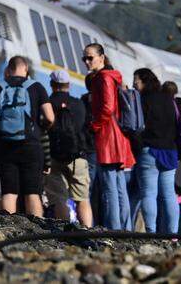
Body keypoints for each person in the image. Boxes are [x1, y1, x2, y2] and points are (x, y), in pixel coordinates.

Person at [0, 56, 52, 217]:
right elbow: (50, 117)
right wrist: (40, 129)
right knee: (32, 193)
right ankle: (37, 233)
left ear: (8, 70)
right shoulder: (36, 87)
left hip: (4, 145)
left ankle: (9, 230)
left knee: (9, 192)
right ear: (26, 69)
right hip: (31, 145)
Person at [82, 43, 135, 230]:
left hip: (107, 137)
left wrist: (93, 125)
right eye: (85, 58)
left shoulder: (102, 78)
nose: (87, 62)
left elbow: (107, 107)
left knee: (109, 186)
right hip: (118, 135)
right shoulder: (113, 77)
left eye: (90, 57)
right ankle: (125, 228)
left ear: (101, 57)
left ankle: (114, 228)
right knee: (119, 186)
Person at [134, 68, 180, 234]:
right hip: (169, 151)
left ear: (144, 81)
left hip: (150, 150)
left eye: (136, 81)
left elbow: (137, 125)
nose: (134, 84)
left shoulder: (141, 99)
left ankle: (151, 231)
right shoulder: (169, 99)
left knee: (149, 194)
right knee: (169, 194)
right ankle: (173, 234)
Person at [46, 70, 93, 227]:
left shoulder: (47, 103)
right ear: (69, 85)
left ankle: (64, 231)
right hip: (77, 157)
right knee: (82, 198)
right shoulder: (79, 104)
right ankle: (87, 231)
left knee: (58, 197)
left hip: (54, 157)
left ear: (52, 85)